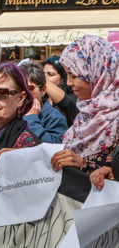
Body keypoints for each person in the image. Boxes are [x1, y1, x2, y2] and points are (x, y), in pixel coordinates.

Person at [49, 36, 119, 190]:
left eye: (74, 76)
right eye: (67, 75)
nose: (68, 83)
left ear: (97, 73)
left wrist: (84, 165)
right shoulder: (85, 114)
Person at [19, 61, 67, 143]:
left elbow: (53, 149)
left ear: (43, 90)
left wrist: (32, 120)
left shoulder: (55, 118)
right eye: (20, 88)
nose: (25, 93)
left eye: (30, 88)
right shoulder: (12, 111)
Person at [42, 55, 79, 127]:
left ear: (62, 79)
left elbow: (66, 103)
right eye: (43, 74)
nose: (45, 77)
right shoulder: (41, 97)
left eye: (50, 74)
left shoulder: (73, 97)